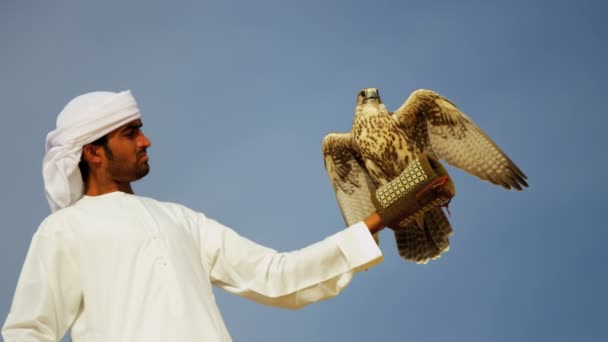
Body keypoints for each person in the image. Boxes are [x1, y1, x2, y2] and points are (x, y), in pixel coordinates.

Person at [2, 90, 449, 341]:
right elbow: (28, 331)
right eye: (131, 133)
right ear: (93, 152)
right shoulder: (63, 231)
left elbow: (278, 276)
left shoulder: (180, 220)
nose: (146, 141)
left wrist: (378, 220)